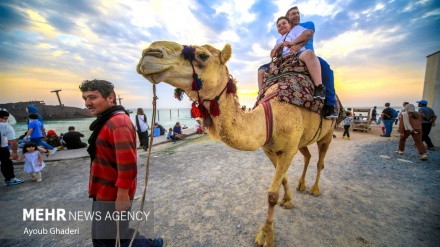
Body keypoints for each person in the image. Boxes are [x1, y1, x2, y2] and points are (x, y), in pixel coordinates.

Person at [79, 79, 165, 246]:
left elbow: (127, 164)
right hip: (103, 190)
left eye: (92, 97)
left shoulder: (118, 123)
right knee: (106, 236)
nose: (88, 103)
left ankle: (154, 244)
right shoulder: (107, 120)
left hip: (112, 194)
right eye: (85, 98)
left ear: (110, 97)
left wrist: (122, 195)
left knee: (110, 239)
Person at [283, 6, 338, 119]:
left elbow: (308, 34)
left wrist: (297, 45)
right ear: (287, 17)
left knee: (325, 68)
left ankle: (330, 105)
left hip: (306, 54)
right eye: (293, 14)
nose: (297, 15)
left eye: (298, 13)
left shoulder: (307, 24)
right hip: (289, 58)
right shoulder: (286, 32)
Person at [260, 16, 326, 100]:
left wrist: (292, 43)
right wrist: (275, 50)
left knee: (309, 54)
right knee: (261, 70)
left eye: (284, 23)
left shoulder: (296, 29)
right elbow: (274, 55)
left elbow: (307, 34)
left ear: (290, 25)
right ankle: (261, 95)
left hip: (296, 54)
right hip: (282, 60)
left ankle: (319, 86)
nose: (281, 26)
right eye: (279, 25)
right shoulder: (278, 40)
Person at [0, 110, 24, 186]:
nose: (5, 120)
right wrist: (14, 152)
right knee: (7, 163)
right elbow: (13, 141)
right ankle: (10, 179)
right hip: (2, 148)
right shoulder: (5, 126)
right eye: (5, 118)